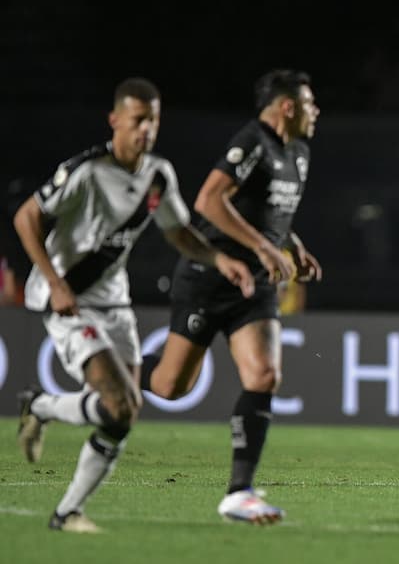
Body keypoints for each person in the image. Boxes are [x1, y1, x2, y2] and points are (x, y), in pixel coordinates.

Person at [13, 77, 254, 532]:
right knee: (119, 405)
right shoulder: (86, 171)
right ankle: (65, 504)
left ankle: (52, 450)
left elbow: (179, 232)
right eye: (138, 120)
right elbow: (26, 216)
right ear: (116, 121)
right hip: (68, 300)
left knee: (122, 415)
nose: (146, 129)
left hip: (115, 304)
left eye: (153, 121)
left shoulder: (157, 176)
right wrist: (54, 282)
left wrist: (221, 258)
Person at [138, 69, 322, 524]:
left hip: (255, 282)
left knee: (264, 375)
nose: (316, 110)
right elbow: (208, 201)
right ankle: (108, 371)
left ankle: (239, 492)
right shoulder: (253, 140)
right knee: (169, 385)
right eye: (309, 102)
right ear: (287, 106)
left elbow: (271, 212)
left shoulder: (298, 153)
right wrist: (263, 245)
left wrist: (293, 247)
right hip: (210, 274)